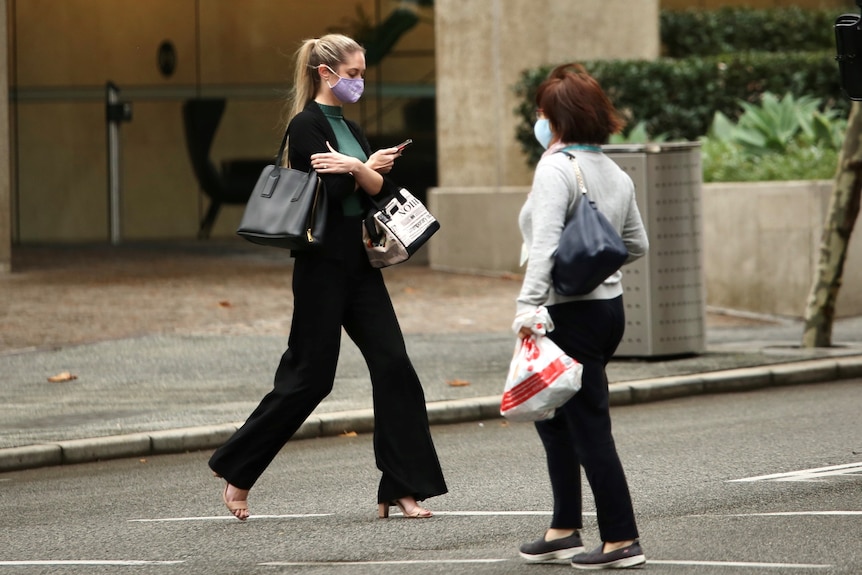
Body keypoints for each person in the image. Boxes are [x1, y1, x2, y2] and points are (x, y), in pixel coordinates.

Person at [209, 33, 447, 522]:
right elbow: (338, 192)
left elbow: (385, 190)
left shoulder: (353, 130)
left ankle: (401, 488)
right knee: (309, 378)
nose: (359, 82)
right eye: (353, 74)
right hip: (320, 267)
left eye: (362, 74)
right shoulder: (306, 125)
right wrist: (362, 170)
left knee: (395, 366)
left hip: (360, 267)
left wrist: (358, 167)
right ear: (326, 73)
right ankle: (237, 468)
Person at [512, 63, 649, 569]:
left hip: (566, 314)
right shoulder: (612, 170)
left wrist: (528, 307)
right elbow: (636, 243)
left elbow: (545, 246)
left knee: (587, 423)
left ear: (558, 118)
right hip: (606, 309)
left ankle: (621, 538)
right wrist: (593, 270)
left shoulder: (555, 169)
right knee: (556, 417)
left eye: (542, 113)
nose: (538, 121)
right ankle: (564, 527)